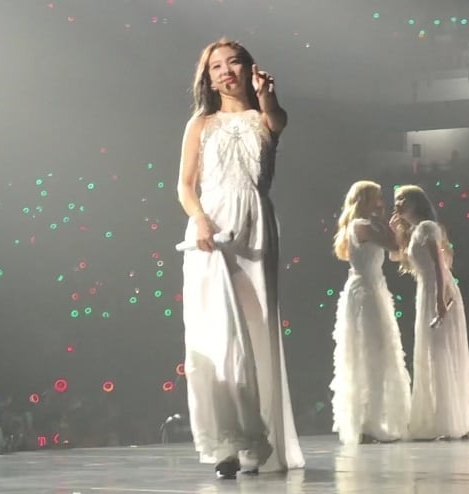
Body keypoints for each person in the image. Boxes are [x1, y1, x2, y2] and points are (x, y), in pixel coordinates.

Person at [176, 39, 304, 478]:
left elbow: (276, 120)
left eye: (233, 62)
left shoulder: (267, 117)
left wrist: (267, 95)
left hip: (255, 228)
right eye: (216, 66)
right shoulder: (200, 124)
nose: (225, 70)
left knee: (254, 330)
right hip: (211, 231)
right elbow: (184, 185)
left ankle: (257, 440)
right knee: (218, 334)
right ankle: (226, 445)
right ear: (208, 78)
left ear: (249, 68)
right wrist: (200, 221)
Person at [390, 185, 469, 440]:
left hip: (438, 290)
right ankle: (441, 419)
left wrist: (440, 299)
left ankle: (447, 421)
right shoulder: (417, 231)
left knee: (440, 352)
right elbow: (396, 257)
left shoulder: (427, 228)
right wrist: (396, 232)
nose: (397, 203)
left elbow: (439, 265)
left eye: (402, 199)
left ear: (416, 202)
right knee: (432, 353)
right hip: (426, 291)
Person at [330, 181, 411, 445]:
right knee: (368, 352)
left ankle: (375, 420)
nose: (381, 202)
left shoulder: (368, 224)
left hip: (376, 288)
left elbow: (395, 250)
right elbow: (392, 244)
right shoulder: (360, 225)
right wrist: (391, 224)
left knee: (379, 352)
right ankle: (367, 423)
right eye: (377, 197)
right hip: (365, 291)